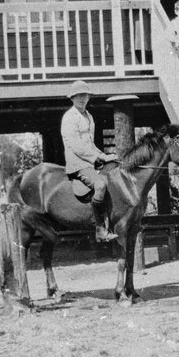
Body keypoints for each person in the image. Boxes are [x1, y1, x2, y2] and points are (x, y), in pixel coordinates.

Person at [61, 80, 119, 242]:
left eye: (85, 95)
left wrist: (106, 155)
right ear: (72, 98)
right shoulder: (69, 118)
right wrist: (98, 158)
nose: (82, 99)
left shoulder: (89, 116)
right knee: (100, 185)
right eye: (78, 96)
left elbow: (90, 144)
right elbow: (77, 147)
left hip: (90, 161)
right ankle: (100, 229)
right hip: (78, 164)